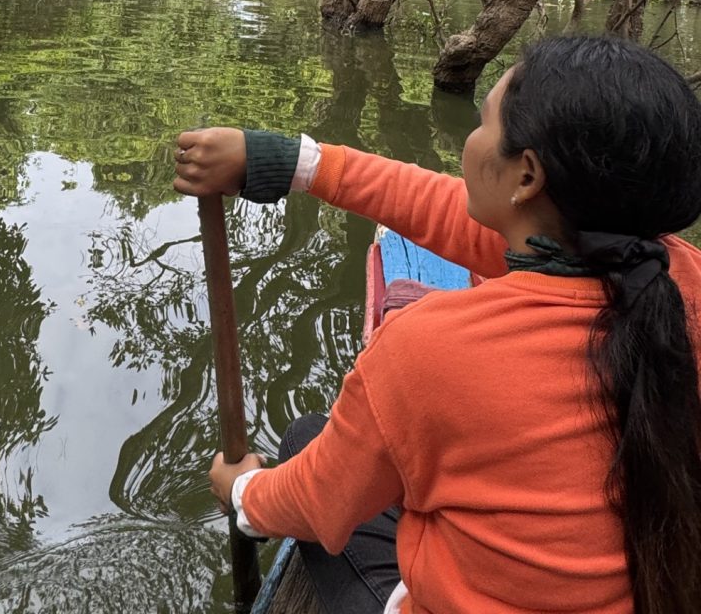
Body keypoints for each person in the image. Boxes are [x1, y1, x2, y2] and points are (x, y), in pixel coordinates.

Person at [173, 36, 701, 614]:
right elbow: (445, 210)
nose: (469, 142)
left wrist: (241, 492)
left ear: (525, 178)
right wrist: (286, 160)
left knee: (307, 440)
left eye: (483, 122)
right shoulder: (675, 280)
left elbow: (314, 501)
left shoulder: (425, 348)